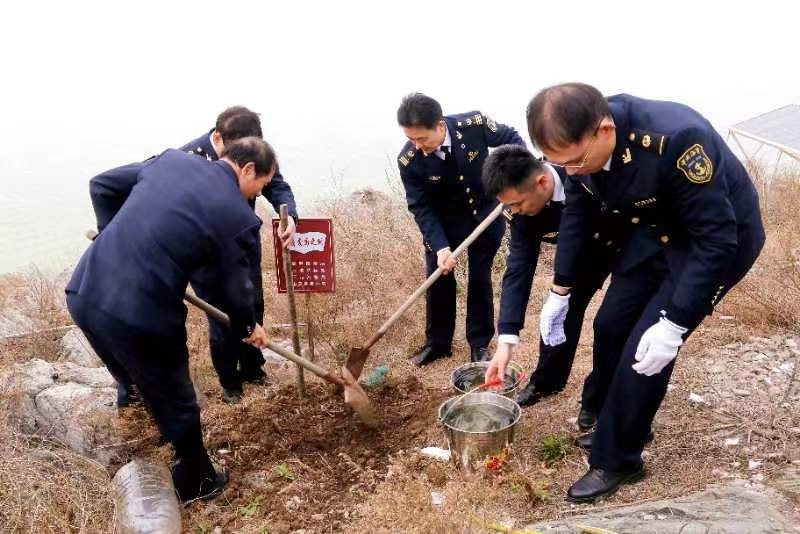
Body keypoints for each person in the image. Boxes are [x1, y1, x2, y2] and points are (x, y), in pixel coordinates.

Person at [527, 83, 765, 502]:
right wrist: (561, 289)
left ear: (604, 130)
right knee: (610, 324)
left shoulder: (678, 139)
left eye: (575, 161)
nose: (571, 172)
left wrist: (674, 324)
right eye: (559, 164)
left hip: (714, 241)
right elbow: (579, 213)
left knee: (646, 350)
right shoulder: (580, 153)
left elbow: (716, 240)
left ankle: (618, 459)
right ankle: (615, 418)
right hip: (653, 231)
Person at [67, 137, 276, 502]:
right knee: (177, 397)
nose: (258, 193)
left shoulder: (171, 161)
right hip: (139, 314)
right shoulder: (236, 215)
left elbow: (104, 185)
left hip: (85, 292)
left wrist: (111, 235)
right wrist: (248, 327)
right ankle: (198, 481)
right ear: (247, 169)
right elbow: (235, 288)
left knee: (135, 381)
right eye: (261, 184)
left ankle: (150, 444)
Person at [90, 106, 298, 404]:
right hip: (205, 260)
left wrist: (290, 217)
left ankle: (254, 368)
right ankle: (231, 383)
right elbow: (107, 186)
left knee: (251, 306)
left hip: (241, 247)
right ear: (219, 138)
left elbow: (276, 185)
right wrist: (109, 236)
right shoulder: (184, 159)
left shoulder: (252, 157)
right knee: (223, 319)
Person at [481, 145, 614, 432]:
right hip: (579, 258)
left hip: (623, 245)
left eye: (518, 204)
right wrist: (507, 339)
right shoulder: (520, 211)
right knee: (559, 315)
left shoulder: (584, 174)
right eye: (509, 207)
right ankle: (547, 381)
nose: (514, 211)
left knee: (611, 324)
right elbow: (518, 269)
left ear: (542, 182)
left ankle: (599, 397)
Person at [396, 93, 525, 366]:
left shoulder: (474, 125)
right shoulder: (409, 160)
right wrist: (441, 247)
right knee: (438, 278)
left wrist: (515, 179)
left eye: (422, 138)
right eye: (411, 139)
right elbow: (420, 206)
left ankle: (479, 343)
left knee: (480, 278)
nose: (417, 145)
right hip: (443, 226)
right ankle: (438, 344)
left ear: (440, 126)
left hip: (484, 216)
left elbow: (512, 138)